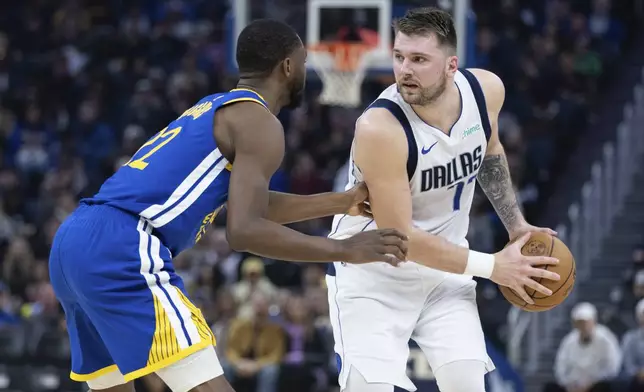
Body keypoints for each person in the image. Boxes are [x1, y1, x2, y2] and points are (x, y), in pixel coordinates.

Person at [47, 19, 408, 392]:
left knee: (112, 387)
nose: (305, 68)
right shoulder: (260, 122)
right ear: (287, 66)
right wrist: (344, 249)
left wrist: (342, 202)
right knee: (205, 385)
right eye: (302, 60)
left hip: (74, 239)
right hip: (121, 243)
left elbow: (251, 204)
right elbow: (244, 230)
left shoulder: (211, 107)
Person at [327, 7, 561, 392]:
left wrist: (516, 225)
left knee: (467, 383)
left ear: (452, 65)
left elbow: (490, 150)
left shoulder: (486, 91)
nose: (405, 69)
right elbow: (398, 237)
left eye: (419, 59)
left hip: (445, 273)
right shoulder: (379, 129)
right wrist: (493, 266)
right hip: (375, 278)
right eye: (399, 57)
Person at [546, 302, 621, 392]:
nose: (584, 326)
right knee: (550, 387)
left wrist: (591, 383)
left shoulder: (606, 339)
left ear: (594, 322)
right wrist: (569, 385)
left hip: (596, 384)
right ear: (574, 324)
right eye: (580, 323)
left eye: (586, 322)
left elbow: (612, 367)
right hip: (573, 385)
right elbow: (560, 367)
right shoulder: (569, 341)